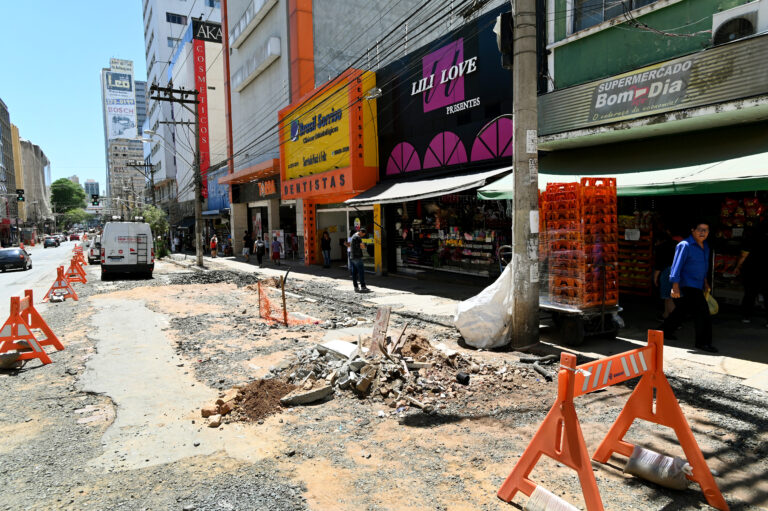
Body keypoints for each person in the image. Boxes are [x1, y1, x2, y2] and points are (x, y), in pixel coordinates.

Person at [661, 221, 717, 353]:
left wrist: (705, 281)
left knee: (682, 309)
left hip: (698, 283)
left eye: (706, 230)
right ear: (693, 230)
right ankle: (703, 342)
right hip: (687, 283)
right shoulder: (685, 245)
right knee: (703, 312)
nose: (702, 233)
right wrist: (675, 286)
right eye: (700, 230)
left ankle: (665, 331)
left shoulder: (706, 247)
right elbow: (676, 265)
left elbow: (703, 266)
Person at [734, 218, 768, 327]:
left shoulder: (751, 238)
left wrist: (738, 267)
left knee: (749, 294)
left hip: (752, 270)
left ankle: (746, 316)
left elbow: (744, 255)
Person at [653, 225, 678, 320]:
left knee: (669, 297)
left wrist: (655, 278)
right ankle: (666, 315)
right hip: (679, 271)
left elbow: (659, 264)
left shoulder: (661, 247)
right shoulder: (676, 244)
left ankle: (674, 320)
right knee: (669, 297)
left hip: (668, 272)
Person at [349, 228, 370, 293]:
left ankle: (355, 287)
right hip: (357, 257)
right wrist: (365, 245)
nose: (363, 236)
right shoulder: (358, 237)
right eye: (363, 234)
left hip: (352, 257)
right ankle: (363, 286)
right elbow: (362, 246)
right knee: (361, 272)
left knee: (354, 273)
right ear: (361, 232)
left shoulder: (353, 236)